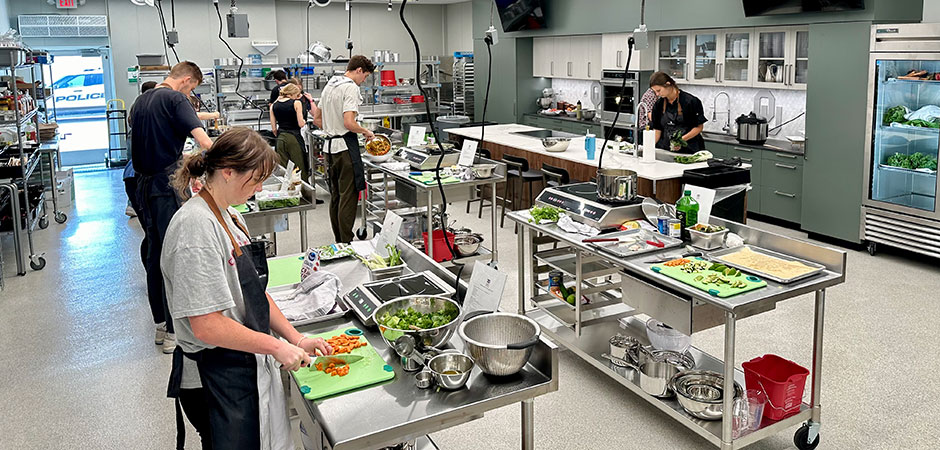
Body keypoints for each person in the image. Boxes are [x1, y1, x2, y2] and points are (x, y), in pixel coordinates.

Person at [163, 127, 333, 450]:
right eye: (254, 180)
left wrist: (296, 338)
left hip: (243, 364)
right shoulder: (195, 229)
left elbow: (254, 293)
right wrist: (274, 347)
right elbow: (207, 325)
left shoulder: (231, 216)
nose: (258, 188)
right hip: (214, 378)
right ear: (228, 172)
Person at [131, 61, 213, 354]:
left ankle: (160, 324)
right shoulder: (176, 98)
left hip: (142, 186)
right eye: (193, 88)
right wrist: (229, 162)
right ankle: (172, 330)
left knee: (155, 251)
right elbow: (203, 141)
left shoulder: (142, 100)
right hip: (166, 187)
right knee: (174, 254)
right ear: (188, 80)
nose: (191, 93)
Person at [313, 55, 375, 243]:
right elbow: (349, 122)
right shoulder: (350, 88)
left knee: (336, 196)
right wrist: (365, 131)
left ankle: (339, 240)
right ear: (358, 70)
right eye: (365, 76)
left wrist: (332, 128)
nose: (364, 81)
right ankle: (347, 243)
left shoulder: (330, 85)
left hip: (329, 148)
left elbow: (317, 119)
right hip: (345, 148)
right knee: (349, 196)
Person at [123, 81, 158, 219]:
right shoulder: (146, 104)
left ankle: (134, 203)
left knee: (134, 169)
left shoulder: (138, 103)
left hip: (133, 138)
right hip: (137, 139)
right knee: (137, 172)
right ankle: (133, 204)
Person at [649, 71, 707, 154]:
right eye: (655, 92)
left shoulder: (690, 102)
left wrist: (680, 140)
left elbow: (698, 127)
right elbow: (657, 129)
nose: (657, 94)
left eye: (659, 90)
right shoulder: (659, 104)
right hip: (666, 150)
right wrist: (649, 147)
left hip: (689, 150)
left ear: (668, 84)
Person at [269, 83, 309, 180]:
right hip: (294, 137)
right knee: (299, 167)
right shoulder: (296, 103)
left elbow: (274, 128)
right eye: (297, 95)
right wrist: (304, 121)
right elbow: (301, 124)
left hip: (280, 137)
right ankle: (302, 191)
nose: (297, 97)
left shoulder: (273, 105)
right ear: (292, 93)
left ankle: (286, 191)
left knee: (284, 169)